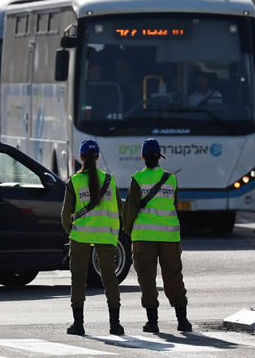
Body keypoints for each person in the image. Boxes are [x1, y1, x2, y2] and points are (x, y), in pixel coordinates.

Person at [123, 138, 192, 332]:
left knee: (147, 279)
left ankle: (152, 322)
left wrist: (129, 231)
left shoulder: (137, 179)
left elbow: (130, 210)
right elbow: (175, 207)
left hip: (143, 237)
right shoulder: (171, 179)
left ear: (143, 156)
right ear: (159, 157)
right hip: (170, 237)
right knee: (173, 276)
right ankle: (182, 320)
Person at [60, 140, 125, 336]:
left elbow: (65, 214)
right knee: (109, 278)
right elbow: (119, 209)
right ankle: (115, 325)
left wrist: (71, 231)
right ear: (97, 157)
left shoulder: (74, 181)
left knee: (78, 279)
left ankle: (78, 325)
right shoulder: (109, 180)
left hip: (80, 236)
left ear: (80, 157)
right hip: (106, 236)